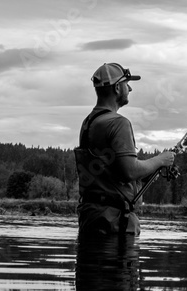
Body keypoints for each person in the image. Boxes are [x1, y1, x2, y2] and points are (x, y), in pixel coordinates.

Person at [75, 62, 175, 238]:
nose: (130, 88)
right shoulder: (118, 123)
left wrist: (147, 173)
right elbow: (129, 171)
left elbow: (110, 172)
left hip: (90, 218)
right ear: (117, 89)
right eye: (126, 84)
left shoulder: (88, 123)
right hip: (114, 224)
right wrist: (161, 160)